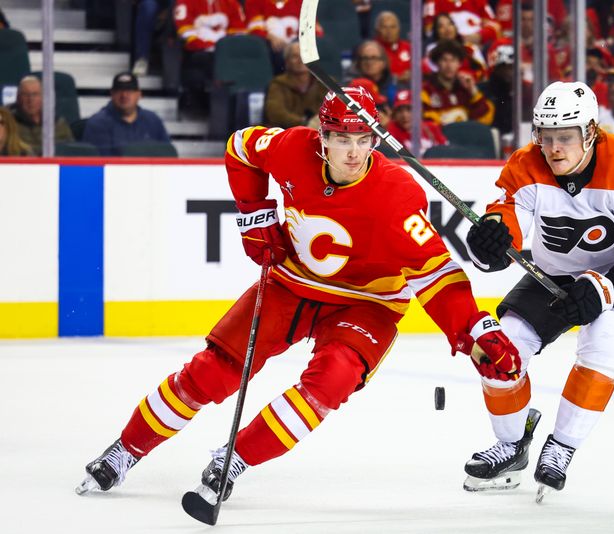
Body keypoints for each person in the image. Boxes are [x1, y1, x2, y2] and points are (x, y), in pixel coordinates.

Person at [76, 86, 522, 504]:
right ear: (321, 135)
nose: (352, 151)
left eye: (362, 139)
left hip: (368, 304)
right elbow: (240, 148)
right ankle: (126, 449)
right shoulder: (292, 147)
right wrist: (254, 216)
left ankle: (235, 460)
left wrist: (474, 328)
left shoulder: (398, 196)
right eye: (340, 138)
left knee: (329, 382)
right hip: (290, 284)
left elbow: (438, 274)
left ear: (376, 139)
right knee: (212, 372)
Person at [462, 81, 614, 497]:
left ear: (591, 132)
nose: (554, 149)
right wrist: (489, 241)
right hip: (556, 275)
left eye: (565, 138)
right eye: (546, 138)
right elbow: (505, 218)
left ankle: (561, 446)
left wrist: (604, 287)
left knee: (606, 338)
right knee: (498, 349)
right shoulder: (525, 164)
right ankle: (512, 444)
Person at [82, 72, 171, 156]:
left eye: (130, 91)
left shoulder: (153, 121)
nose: (124, 95)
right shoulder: (97, 123)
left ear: (139, 94)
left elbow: (167, 156)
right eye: (119, 91)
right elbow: (96, 165)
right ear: (112, 94)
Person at [422, 39, 495, 126]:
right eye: (444, 60)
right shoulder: (426, 89)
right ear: (437, 63)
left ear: (459, 64)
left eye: (453, 60)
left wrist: (473, 90)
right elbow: (424, 121)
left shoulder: (465, 87)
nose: (449, 65)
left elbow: (485, 119)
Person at [263, 41, 327, 129]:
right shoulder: (278, 84)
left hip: (320, 132)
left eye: (304, 55)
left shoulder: (324, 83)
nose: (300, 60)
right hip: (286, 133)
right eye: (295, 56)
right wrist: (304, 122)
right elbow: (275, 113)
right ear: (287, 62)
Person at [10, 76, 74, 156]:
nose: (30, 99)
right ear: (18, 98)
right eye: (25, 94)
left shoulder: (58, 124)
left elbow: (70, 151)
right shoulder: (8, 122)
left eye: (35, 94)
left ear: (43, 97)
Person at [385, 88, 448, 155]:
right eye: (400, 111)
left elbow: (447, 151)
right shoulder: (392, 131)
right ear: (394, 114)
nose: (405, 115)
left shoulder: (431, 127)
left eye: (409, 109)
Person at [374, 11, 411, 84]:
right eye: (384, 27)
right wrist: (395, 79)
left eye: (393, 27)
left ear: (399, 29)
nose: (389, 31)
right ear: (377, 30)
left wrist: (412, 74)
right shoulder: (372, 50)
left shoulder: (409, 47)